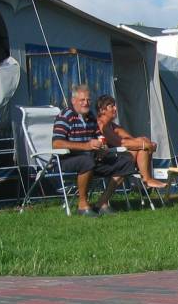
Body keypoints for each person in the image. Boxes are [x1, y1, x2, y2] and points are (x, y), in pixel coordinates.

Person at [52, 83, 138, 216]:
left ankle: (102, 202)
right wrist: (86, 146)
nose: (86, 103)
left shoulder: (91, 117)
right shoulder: (65, 116)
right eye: (82, 100)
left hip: (91, 158)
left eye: (88, 100)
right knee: (86, 161)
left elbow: (99, 137)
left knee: (125, 161)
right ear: (73, 101)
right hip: (67, 159)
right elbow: (57, 143)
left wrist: (102, 148)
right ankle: (82, 205)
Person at [95, 95, 167, 189]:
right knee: (141, 147)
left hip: (115, 157)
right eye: (111, 106)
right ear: (102, 110)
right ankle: (147, 179)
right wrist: (145, 145)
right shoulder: (102, 125)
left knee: (142, 141)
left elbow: (131, 139)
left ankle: (147, 179)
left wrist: (145, 142)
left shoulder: (111, 125)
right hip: (102, 161)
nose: (115, 108)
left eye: (115, 105)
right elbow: (121, 143)